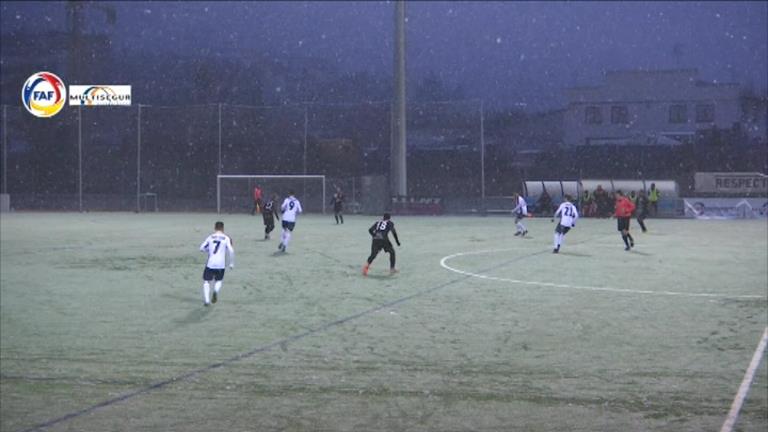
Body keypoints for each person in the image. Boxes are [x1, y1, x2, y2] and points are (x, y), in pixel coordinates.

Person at [199, 221, 235, 306]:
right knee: (219, 280)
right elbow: (231, 250)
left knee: (206, 281)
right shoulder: (226, 238)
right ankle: (215, 291)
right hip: (221, 264)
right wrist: (231, 263)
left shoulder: (210, 237)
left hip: (210, 263)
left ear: (215, 228)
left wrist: (209, 250)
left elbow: (201, 248)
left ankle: (207, 300)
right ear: (223, 228)